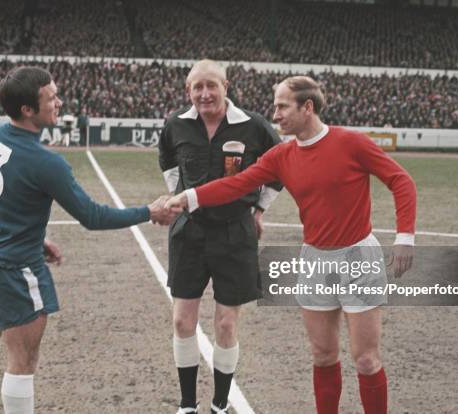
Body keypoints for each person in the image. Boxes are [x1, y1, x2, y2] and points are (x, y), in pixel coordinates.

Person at [166, 76, 417, 414]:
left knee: (366, 359)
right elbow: (237, 184)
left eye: (282, 106)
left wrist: (405, 237)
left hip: (359, 257)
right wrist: (189, 197)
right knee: (323, 355)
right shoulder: (281, 155)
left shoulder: (352, 143)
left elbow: (401, 181)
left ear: (307, 107)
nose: (276, 115)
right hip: (314, 259)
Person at [0, 66, 175, 414]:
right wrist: (148, 212)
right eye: (51, 98)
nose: (59, 102)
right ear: (28, 109)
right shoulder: (46, 162)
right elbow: (92, 216)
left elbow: (3, 199)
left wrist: (37, 236)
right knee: (22, 361)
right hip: (14, 269)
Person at [158, 59, 283, 414]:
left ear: (226, 87)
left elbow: (280, 166)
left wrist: (258, 210)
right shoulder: (176, 125)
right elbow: (166, 158)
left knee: (226, 323)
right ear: (188, 92)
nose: (205, 93)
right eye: (197, 87)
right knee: (183, 320)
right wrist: (177, 193)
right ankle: (186, 406)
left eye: (211, 85)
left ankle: (219, 404)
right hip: (189, 233)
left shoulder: (253, 126)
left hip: (235, 234)